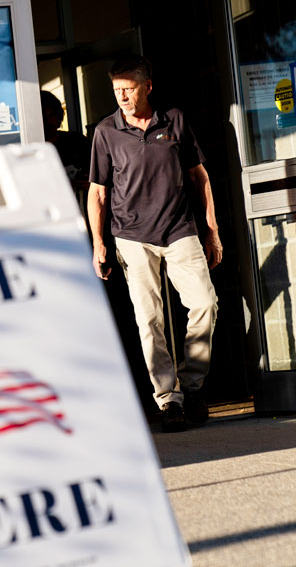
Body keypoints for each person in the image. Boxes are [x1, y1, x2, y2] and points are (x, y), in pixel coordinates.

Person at [88, 55, 221, 433]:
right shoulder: (106, 132)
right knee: (149, 320)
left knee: (204, 304)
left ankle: (192, 385)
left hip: (180, 229)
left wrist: (211, 229)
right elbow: (98, 193)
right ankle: (169, 399)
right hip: (131, 236)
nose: (123, 97)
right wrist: (99, 243)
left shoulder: (174, 120)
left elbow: (200, 177)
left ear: (147, 86)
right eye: (117, 90)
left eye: (128, 89)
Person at [40, 90, 91, 193]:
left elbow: (100, 172)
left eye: (51, 116)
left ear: (59, 117)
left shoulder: (77, 141)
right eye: (43, 117)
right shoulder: (30, 149)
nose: (47, 122)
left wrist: (92, 183)